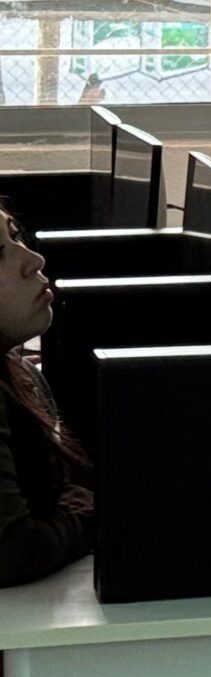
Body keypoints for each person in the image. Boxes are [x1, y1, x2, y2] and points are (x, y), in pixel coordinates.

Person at [0, 210, 93, 589]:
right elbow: (11, 549)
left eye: (15, 236)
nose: (34, 260)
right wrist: (92, 515)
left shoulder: (19, 371)